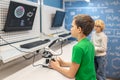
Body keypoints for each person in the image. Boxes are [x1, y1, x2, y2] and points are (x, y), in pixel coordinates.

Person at [49, 14, 96, 80]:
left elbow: (70, 74)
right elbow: (83, 64)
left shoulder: (78, 48)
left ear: (79, 29)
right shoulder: (89, 44)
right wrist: (64, 63)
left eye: (72, 26)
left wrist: (56, 67)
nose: (70, 29)